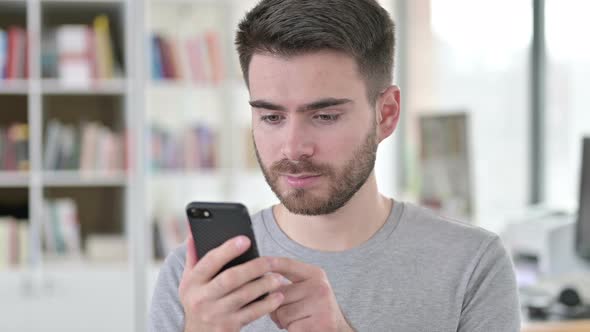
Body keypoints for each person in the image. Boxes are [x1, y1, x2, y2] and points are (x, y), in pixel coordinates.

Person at [149, 0, 521, 331]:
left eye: (324, 116)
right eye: (272, 117)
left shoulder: (472, 264)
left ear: (386, 114)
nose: (293, 148)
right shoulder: (197, 277)